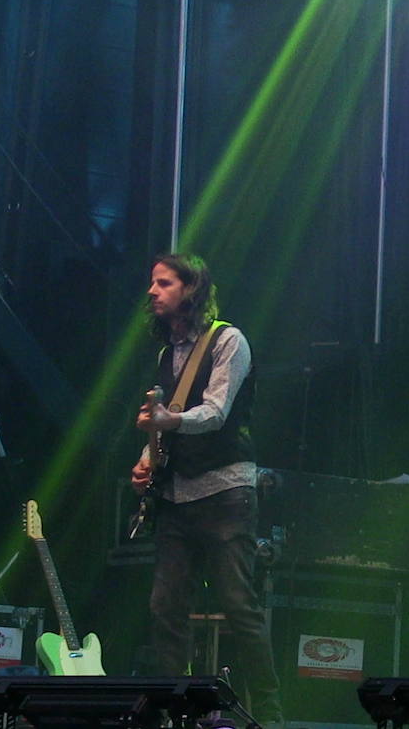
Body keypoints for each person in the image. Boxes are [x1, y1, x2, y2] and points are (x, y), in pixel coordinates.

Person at [132, 253, 282, 727]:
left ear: (190, 290)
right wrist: (145, 462)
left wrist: (168, 420)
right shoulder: (165, 355)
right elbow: (166, 430)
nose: (153, 291)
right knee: (165, 608)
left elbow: (216, 412)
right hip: (177, 497)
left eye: (164, 283)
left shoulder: (228, 340)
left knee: (239, 606)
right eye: (152, 283)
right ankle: (176, 715)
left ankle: (271, 717)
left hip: (225, 493)